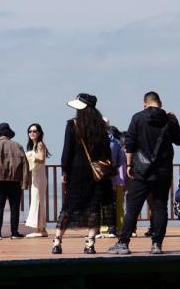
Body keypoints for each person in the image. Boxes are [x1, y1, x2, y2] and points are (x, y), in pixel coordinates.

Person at [108, 91, 180, 255]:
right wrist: (175, 121)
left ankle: (123, 243)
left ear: (145, 104)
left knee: (133, 207)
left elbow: (130, 143)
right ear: (160, 103)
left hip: (142, 171)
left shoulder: (138, 118)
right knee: (160, 207)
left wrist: (129, 165)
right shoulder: (169, 120)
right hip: (163, 171)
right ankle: (157, 245)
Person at [53, 93, 115, 255]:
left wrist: (64, 170)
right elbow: (107, 152)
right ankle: (90, 244)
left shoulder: (72, 124)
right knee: (94, 209)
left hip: (77, 172)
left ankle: (57, 242)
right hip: (96, 174)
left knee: (68, 207)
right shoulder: (101, 126)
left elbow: (67, 151)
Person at [0, 123, 30, 239]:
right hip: (15, 180)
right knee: (15, 207)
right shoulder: (18, 146)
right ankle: (14, 233)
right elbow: (25, 165)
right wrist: (25, 182)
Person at [98, 126, 126, 238]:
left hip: (101, 176)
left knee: (102, 204)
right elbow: (121, 161)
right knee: (118, 204)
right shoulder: (117, 143)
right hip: (116, 177)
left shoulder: (98, 141)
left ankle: (103, 227)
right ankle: (119, 227)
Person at [25, 123, 50, 238]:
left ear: (39, 133)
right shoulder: (35, 145)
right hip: (36, 176)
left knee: (38, 200)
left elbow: (41, 159)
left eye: (34, 131)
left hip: (39, 176)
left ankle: (39, 229)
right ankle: (41, 228)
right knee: (37, 200)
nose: (32, 133)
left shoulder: (39, 144)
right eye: (30, 131)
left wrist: (29, 156)